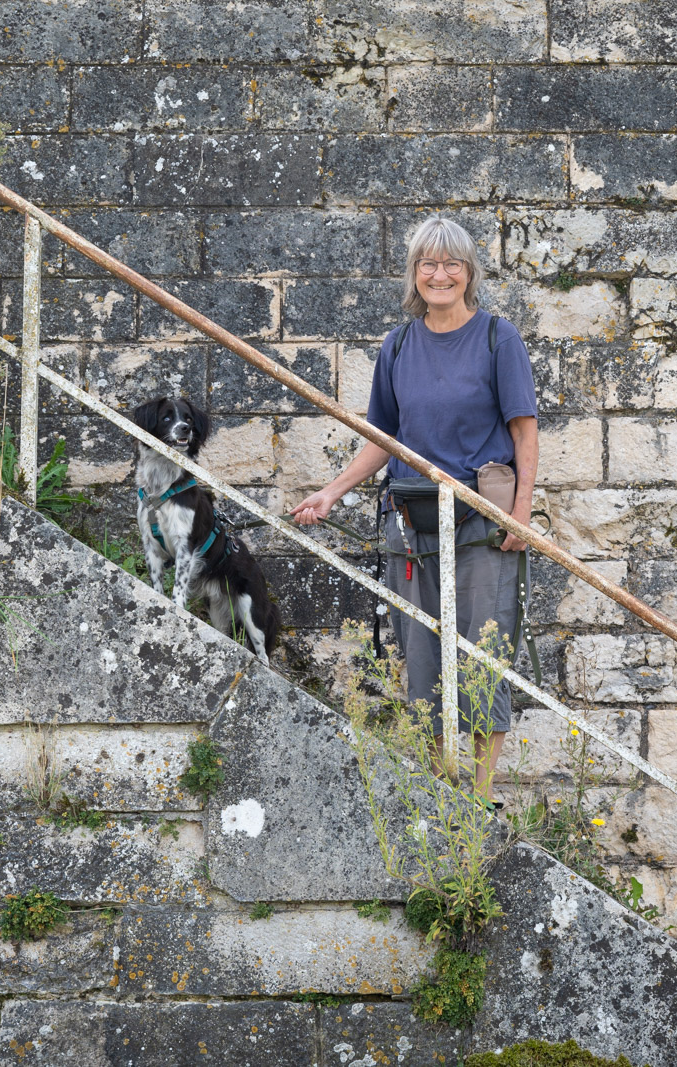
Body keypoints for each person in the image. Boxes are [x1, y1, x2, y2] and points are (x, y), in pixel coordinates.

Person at [291, 216, 538, 808]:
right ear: (414, 273)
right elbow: (384, 438)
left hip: (481, 520)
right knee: (422, 655)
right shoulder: (398, 345)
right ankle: (441, 792)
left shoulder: (498, 339)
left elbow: (524, 433)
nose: (440, 274)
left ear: (469, 273)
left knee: (482, 650)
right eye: (428, 263)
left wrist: (521, 516)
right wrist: (331, 492)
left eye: (452, 264)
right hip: (410, 520)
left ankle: (479, 802)